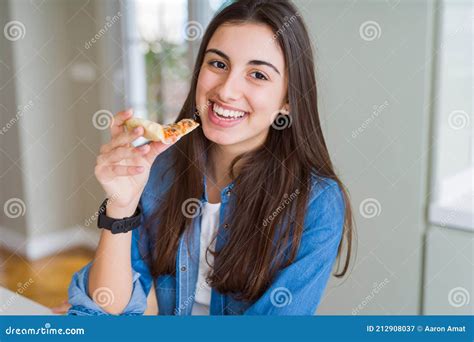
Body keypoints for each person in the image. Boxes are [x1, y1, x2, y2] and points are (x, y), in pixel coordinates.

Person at [67, 0, 354, 316]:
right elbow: (107, 310)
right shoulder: (158, 168)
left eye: (257, 74)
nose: (227, 90)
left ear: (287, 100)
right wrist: (120, 207)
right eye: (218, 64)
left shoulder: (316, 203)